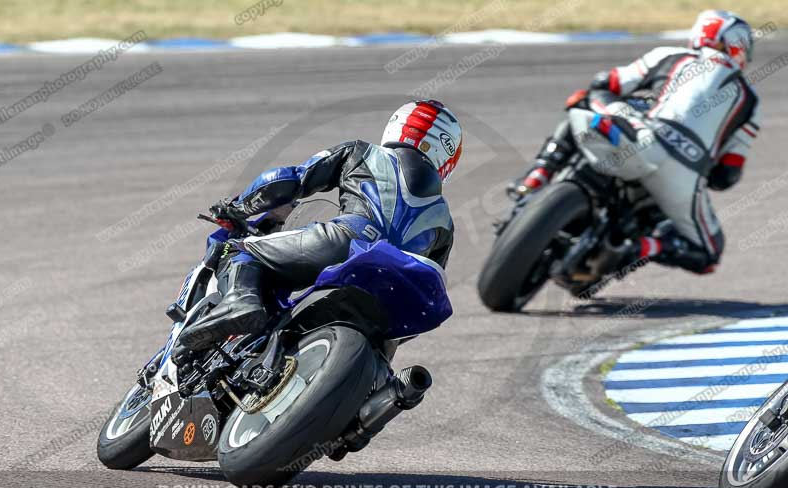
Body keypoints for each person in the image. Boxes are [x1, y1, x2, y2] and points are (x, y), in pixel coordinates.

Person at [175, 100, 462, 355]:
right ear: (446, 157)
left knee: (237, 250)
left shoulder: (363, 153)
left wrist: (237, 208)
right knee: (384, 358)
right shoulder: (445, 220)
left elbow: (288, 181)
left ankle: (241, 302)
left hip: (346, 241)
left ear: (397, 127)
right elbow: (431, 288)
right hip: (399, 288)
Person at [508, 10, 759, 274]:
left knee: (584, 99)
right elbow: (727, 174)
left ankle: (539, 174)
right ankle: (638, 247)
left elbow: (606, 82)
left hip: (640, 135)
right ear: (737, 45)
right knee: (709, 254)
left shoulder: (671, 55)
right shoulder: (750, 101)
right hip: (683, 175)